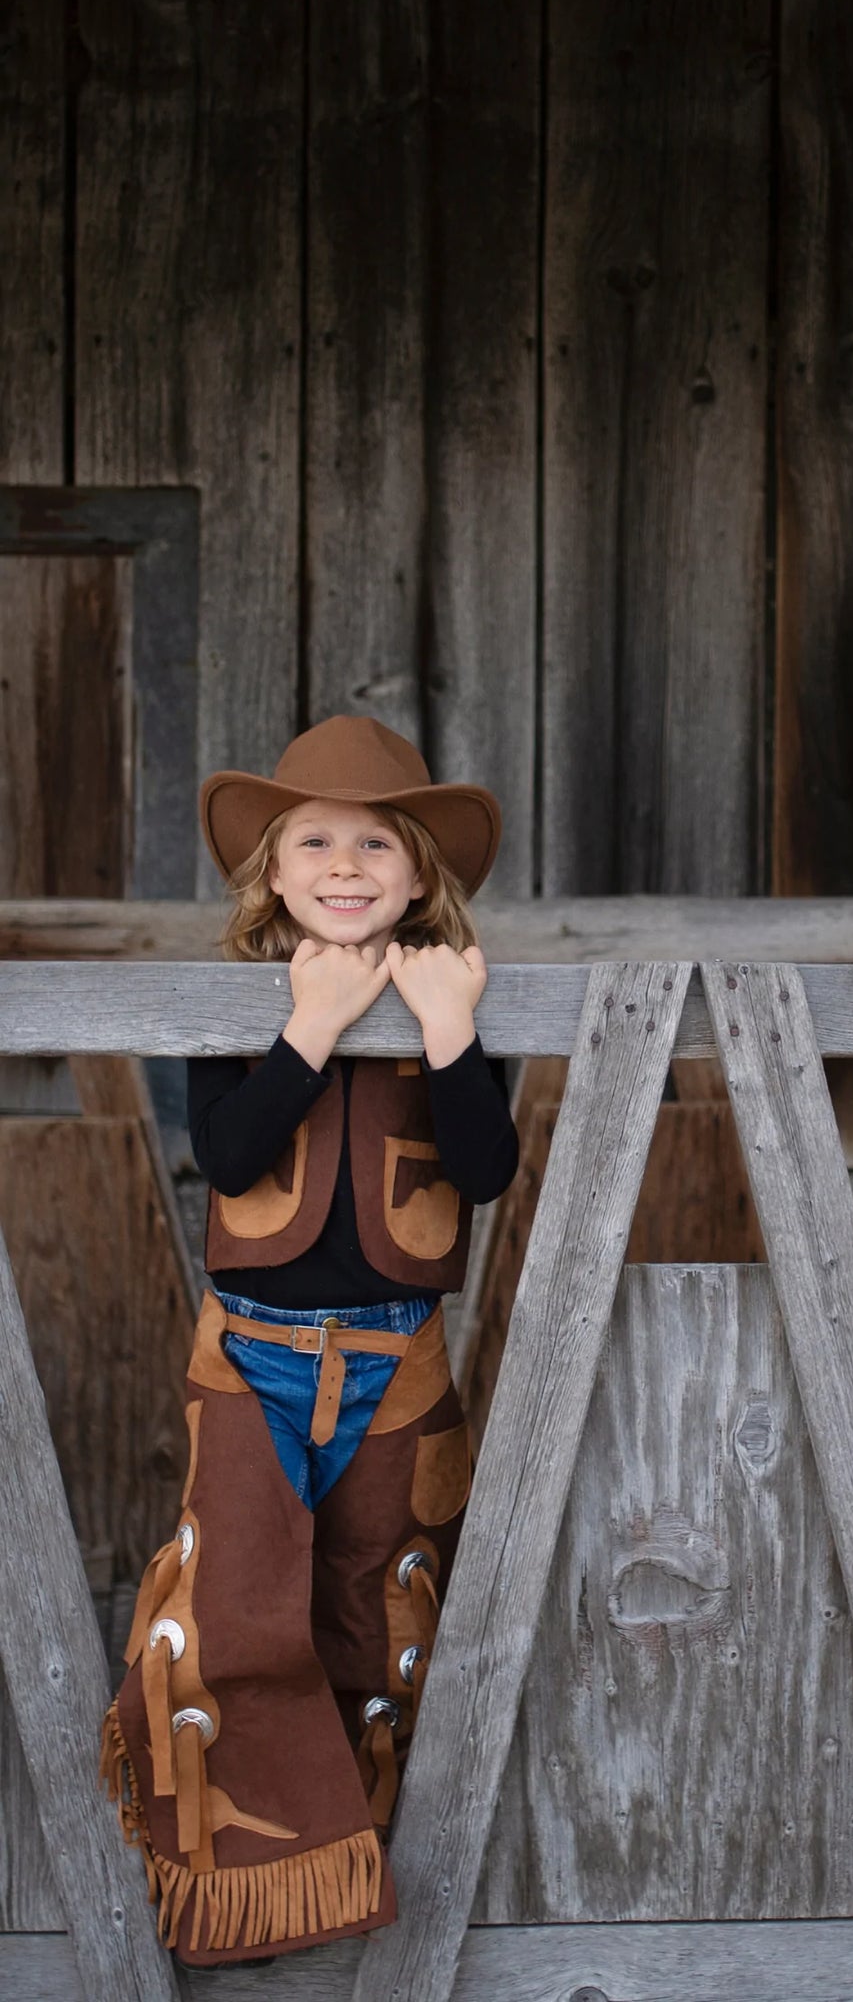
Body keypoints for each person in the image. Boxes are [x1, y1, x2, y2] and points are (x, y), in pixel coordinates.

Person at [100, 715, 519, 1967]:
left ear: (416, 871)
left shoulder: (449, 991)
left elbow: (486, 1166)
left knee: (376, 1595)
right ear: (273, 872)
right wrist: (309, 1025)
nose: (347, 864)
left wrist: (448, 1027)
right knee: (233, 1605)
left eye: (376, 841)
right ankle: (239, 1875)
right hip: (254, 1354)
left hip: (398, 1361)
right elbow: (225, 1156)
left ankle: (356, 1850)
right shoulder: (236, 1004)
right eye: (317, 841)